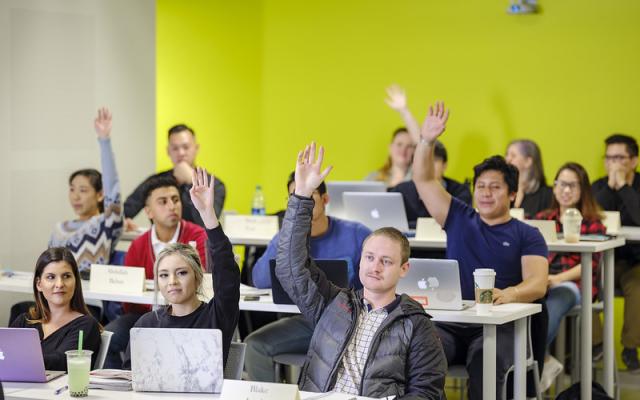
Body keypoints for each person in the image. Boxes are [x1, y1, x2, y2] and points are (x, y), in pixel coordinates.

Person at [273, 141, 447, 399]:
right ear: (360, 260)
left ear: (404, 269)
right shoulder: (332, 303)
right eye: (369, 257)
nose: (375, 267)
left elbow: (426, 393)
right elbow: (289, 266)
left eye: (386, 261)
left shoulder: (417, 325)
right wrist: (301, 196)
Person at [412, 102, 548, 400]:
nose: (485, 193)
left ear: (513, 194)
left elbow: (537, 284)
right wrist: (426, 141)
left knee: (484, 357)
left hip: (500, 327)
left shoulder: (527, 234)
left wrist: (509, 294)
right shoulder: (458, 216)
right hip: (451, 323)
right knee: (421, 351)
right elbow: (422, 179)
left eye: (495, 187)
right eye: (481, 186)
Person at [245, 172, 371, 382]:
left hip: (346, 322)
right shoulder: (286, 237)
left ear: (325, 199)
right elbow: (260, 280)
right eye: (295, 197)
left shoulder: (357, 234)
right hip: (302, 321)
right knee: (254, 346)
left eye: (308, 196)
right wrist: (288, 235)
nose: (302, 202)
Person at [122, 168, 240, 369]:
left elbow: (227, 272)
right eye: (164, 275)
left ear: (198, 276)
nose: (172, 282)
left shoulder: (217, 316)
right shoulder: (147, 324)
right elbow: (132, 376)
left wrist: (208, 216)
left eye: (182, 273)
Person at [103, 175, 208, 368]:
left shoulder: (197, 236)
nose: (172, 206)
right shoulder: (138, 244)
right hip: (146, 317)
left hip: (188, 316)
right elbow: (129, 301)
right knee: (108, 338)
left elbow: (203, 280)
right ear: (148, 211)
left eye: (175, 200)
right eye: (163, 202)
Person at [535, 162, 606, 389]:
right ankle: (542, 360)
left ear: (582, 189)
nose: (566, 190)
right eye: (561, 184)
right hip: (542, 280)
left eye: (572, 186)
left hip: (573, 284)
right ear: (554, 188)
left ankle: (531, 359)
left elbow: (589, 265)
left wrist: (556, 279)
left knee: (555, 302)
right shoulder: (543, 219)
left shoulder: (593, 224)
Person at [49, 107, 123, 279]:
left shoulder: (106, 223)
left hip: (91, 302)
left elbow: (113, 187)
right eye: (72, 189)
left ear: (100, 194)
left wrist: (104, 140)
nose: (75, 196)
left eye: (83, 190)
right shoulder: (59, 230)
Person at [592, 133, 640, 372]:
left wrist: (624, 188)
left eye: (619, 158)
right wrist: (611, 189)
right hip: (604, 259)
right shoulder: (599, 187)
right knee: (582, 282)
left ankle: (630, 347)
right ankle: (596, 343)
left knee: (637, 285)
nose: (613, 164)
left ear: (633, 161)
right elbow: (591, 216)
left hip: (635, 260)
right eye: (608, 158)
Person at [10, 247, 101, 371]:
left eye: (66, 276)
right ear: (39, 284)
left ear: (76, 281)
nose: (59, 284)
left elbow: (62, 362)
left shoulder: (86, 325)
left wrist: (17, 358)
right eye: (51, 277)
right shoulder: (24, 321)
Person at [123, 124, 226, 230]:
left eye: (186, 147)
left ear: (196, 148)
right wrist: (124, 222)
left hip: (197, 244)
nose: (181, 153)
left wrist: (192, 182)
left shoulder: (214, 185)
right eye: (175, 148)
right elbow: (125, 211)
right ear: (168, 151)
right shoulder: (156, 182)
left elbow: (207, 224)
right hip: (162, 245)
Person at [505, 139, 553, 218]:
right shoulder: (504, 192)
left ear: (528, 161)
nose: (507, 159)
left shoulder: (548, 195)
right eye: (507, 155)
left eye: (513, 155)